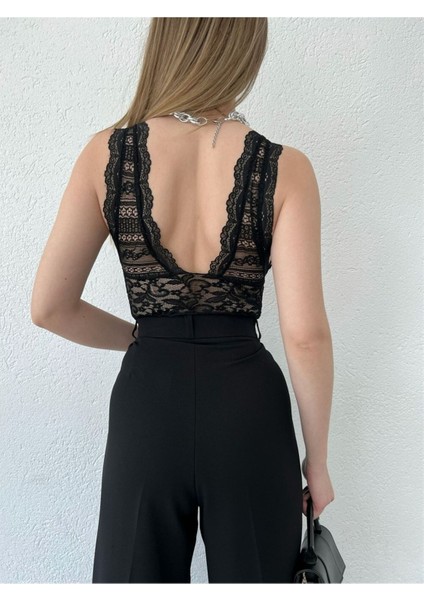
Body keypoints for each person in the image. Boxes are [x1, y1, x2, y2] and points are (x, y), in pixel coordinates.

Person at [31, 17, 335, 584]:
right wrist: (316, 464)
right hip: (248, 410)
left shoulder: (105, 154)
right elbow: (305, 336)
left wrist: (142, 338)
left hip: (148, 403)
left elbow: (49, 307)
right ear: (244, 51)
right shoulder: (285, 167)